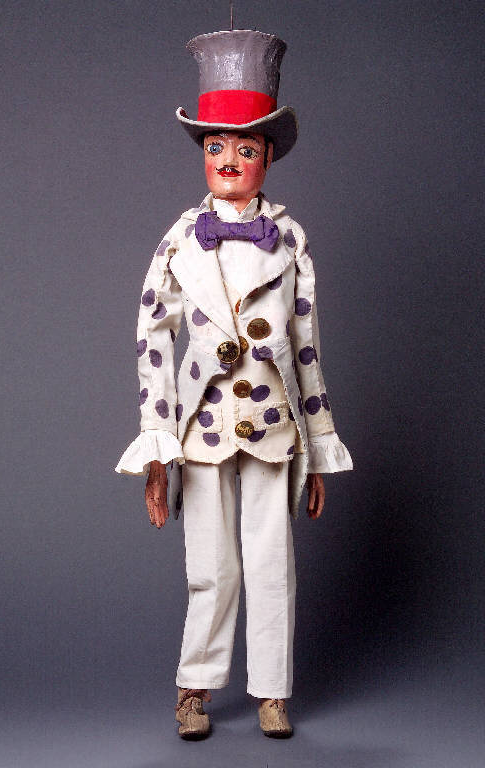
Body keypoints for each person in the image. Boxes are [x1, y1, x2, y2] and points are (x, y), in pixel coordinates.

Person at [115, 29, 352, 739]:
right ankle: (195, 686)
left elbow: (306, 344)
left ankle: (272, 690)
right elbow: (152, 340)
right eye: (216, 146)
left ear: (268, 157)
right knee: (210, 567)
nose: (229, 160)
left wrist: (318, 445)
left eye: (245, 149)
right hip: (202, 429)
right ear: (202, 154)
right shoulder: (179, 239)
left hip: (275, 428)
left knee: (273, 564)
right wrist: (157, 445)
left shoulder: (290, 239)